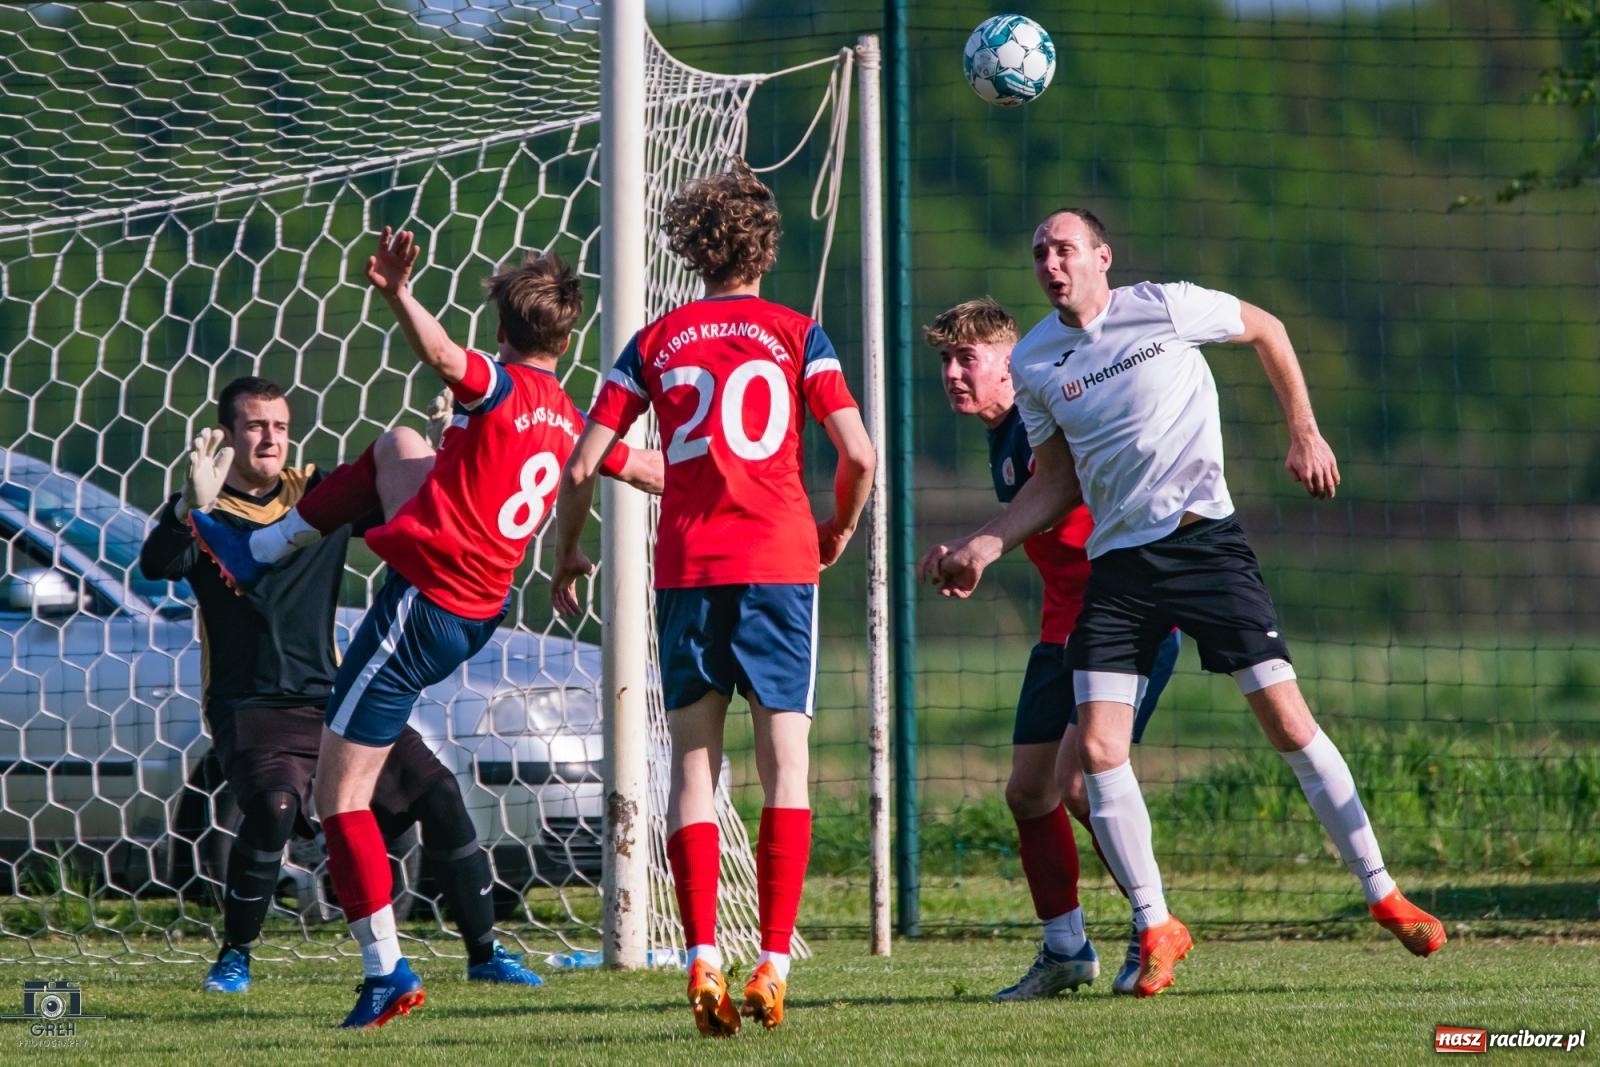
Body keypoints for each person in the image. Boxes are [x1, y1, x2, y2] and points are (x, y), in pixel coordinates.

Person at [920, 208, 1445, 999]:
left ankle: (1381, 889)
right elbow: (1057, 481)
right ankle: (1155, 923)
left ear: (1102, 256)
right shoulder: (1035, 360)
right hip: (1119, 569)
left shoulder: (1162, 306)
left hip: (1206, 549)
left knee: (1288, 724)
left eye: (1064, 249)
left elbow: (1268, 329)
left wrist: (1304, 430)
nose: (1051, 264)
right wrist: (987, 546)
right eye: (1039, 254)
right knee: (1095, 756)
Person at [189, 232, 662, 1029]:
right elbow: (641, 468)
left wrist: (398, 291)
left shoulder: (498, 386)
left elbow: (444, 355)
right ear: (567, 338)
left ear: (503, 330)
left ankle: (385, 972)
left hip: (425, 605)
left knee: (339, 796)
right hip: (477, 610)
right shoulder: (566, 417)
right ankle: (261, 550)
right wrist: (743, 478)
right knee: (402, 446)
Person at [550, 159, 875, 1037]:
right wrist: (837, 526)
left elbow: (583, 465)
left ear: (690, 249)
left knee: (693, 765)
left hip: (688, 568)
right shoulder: (799, 333)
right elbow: (860, 453)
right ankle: (772, 960)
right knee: (785, 765)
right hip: (778, 562)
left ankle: (700, 953)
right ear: (766, 247)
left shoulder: (654, 341)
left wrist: (568, 550)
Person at [139, 375, 544, 997]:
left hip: (334, 699)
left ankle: (485, 953)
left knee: (439, 792)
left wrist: (449, 458)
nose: (270, 438)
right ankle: (234, 957)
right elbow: (155, 566)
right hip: (251, 709)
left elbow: (416, 513)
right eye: (255, 425)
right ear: (226, 435)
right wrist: (181, 510)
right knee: (274, 807)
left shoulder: (317, 497)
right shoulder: (205, 508)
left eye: (279, 426)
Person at [925, 297, 1182, 1000]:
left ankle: (1152, 926)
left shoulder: (1047, 415)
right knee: (1029, 791)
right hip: (1060, 627)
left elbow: (1062, 492)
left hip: (1124, 619)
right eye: (945, 359)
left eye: (967, 358)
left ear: (1010, 364)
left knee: (1078, 782)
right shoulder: (1003, 431)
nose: (952, 373)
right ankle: (1066, 950)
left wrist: (979, 545)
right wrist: (972, 548)